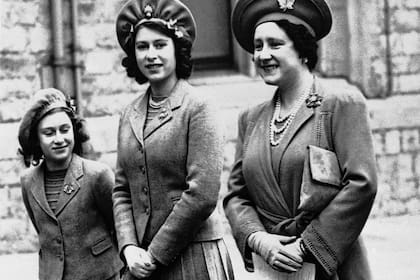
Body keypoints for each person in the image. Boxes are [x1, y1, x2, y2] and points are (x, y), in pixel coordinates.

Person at [223, 0, 378, 279]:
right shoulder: (251, 118)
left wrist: (306, 247)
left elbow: (361, 184)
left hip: (330, 263)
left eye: (275, 44)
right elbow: (236, 195)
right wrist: (259, 240)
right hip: (273, 267)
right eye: (258, 46)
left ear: (302, 49)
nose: (262, 55)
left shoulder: (341, 104)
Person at [113, 0, 234, 279]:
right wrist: (129, 247)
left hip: (193, 255)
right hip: (141, 261)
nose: (151, 55)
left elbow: (202, 194)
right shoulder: (128, 114)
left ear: (176, 49)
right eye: (142, 47)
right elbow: (122, 189)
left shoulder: (199, 107)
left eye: (160, 45)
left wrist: (155, 254)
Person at [18, 88, 123, 280]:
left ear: (74, 131)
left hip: (101, 275)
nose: (59, 139)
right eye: (49, 133)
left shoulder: (97, 175)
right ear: (37, 140)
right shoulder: (28, 182)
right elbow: (45, 230)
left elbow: (120, 227)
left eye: (64, 130)